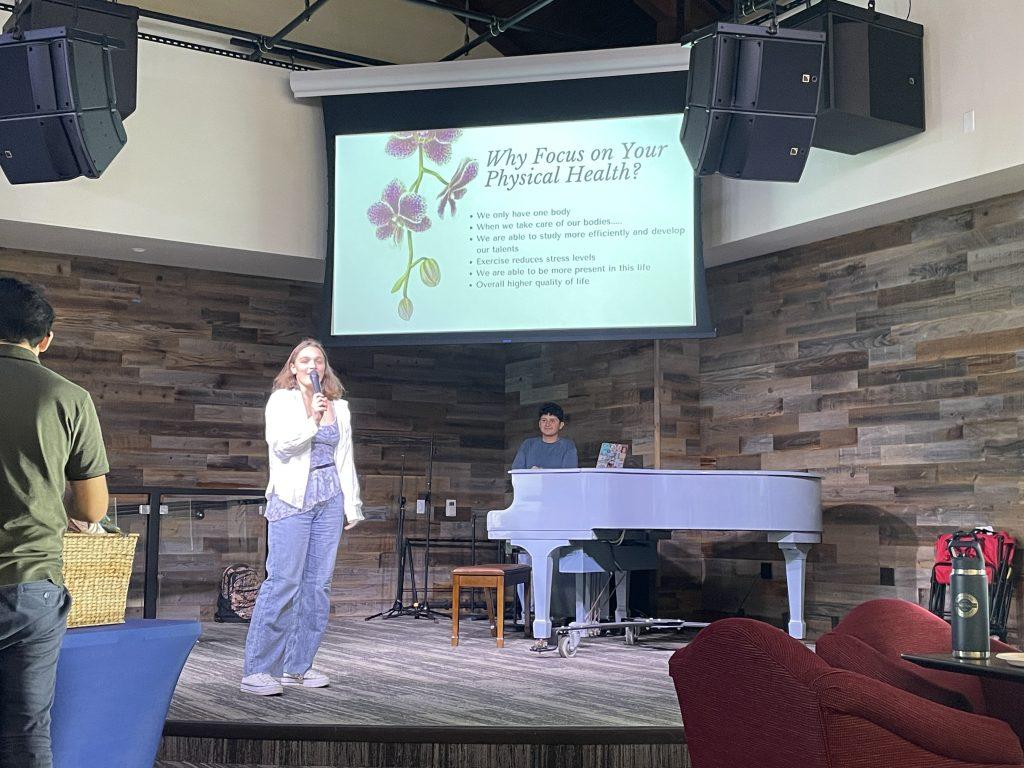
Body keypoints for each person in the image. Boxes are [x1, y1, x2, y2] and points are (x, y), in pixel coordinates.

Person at [0, 278, 110, 768]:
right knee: (26, 732)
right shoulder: (70, 398)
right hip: (30, 587)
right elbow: (91, 511)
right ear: (44, 340)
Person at [241, 339, 364, 696]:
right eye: (304, 360)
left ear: (325, 368)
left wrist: (351, 504)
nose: (313, 365)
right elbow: (281, 446)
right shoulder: (282, 401)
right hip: (292, 498)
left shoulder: (339, 406)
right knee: (283, 582)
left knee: (317, 585)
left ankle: (297, 665)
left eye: (319, 360)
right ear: (293, 367)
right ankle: (259, 669)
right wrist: (312, 419)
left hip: (329, 497)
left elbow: (344, 457)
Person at [511, 402, 578, 470]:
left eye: (552, 421)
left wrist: (542, 473)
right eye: (544, 420)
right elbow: (516, 471)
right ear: (539, 424)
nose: (547, 424)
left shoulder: (568, 446)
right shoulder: (528, 444)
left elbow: (569, 475)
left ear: (561, 425)